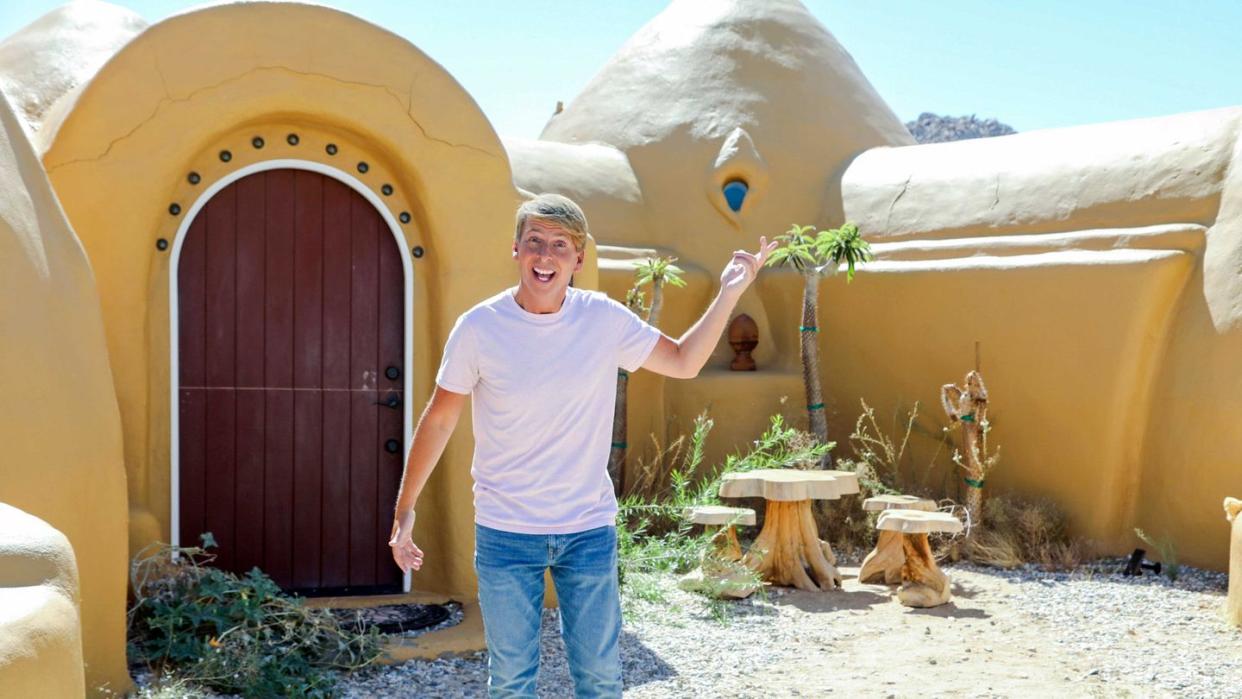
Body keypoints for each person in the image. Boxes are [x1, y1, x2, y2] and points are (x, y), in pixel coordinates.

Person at [388, 193, 774, 697]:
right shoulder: (479, 328)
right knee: (510, 680)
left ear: (578, 258)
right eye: (534, 242)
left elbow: (682, 361)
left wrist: (729, 291)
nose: (545, 256)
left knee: (599, 678)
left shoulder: (603, 319)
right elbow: (438, 421)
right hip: (506, 531)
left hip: (587, 530)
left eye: (560, 245)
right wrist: (405, 511)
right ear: (516, 249)